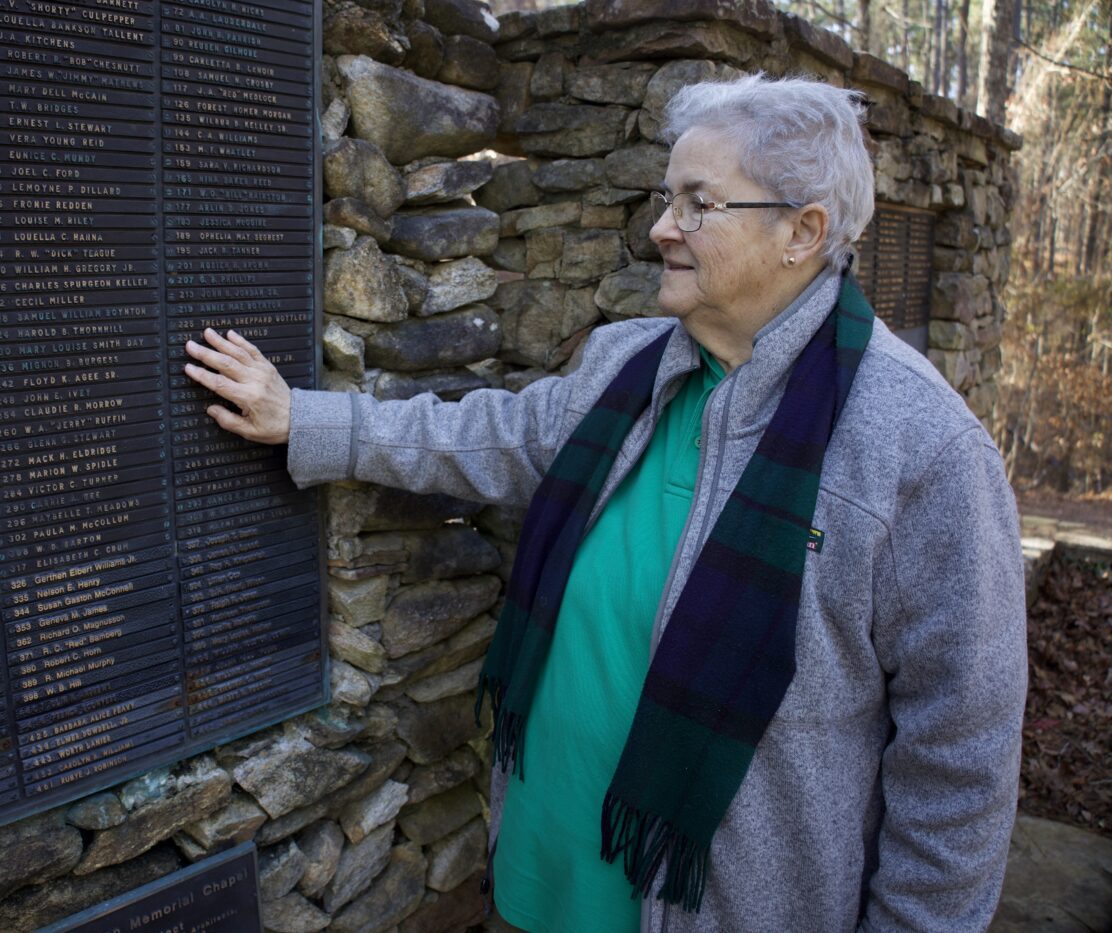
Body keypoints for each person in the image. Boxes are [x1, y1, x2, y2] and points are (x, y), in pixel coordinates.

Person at [183, 74, 1026, 933]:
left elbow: (959, 762)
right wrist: (306, 419)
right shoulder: (631, 363)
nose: (662, 227)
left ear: (802, 231)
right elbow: (494, 436)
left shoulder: (925, 451)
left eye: (699, 203)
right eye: (668, 197)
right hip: (547, 871)